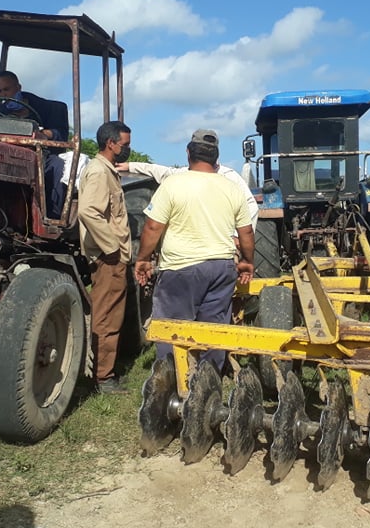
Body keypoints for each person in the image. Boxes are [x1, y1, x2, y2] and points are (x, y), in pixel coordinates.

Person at [133, 129, 255, 372]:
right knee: (213, 328)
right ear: (217, 159)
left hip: (180, 269)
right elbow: (246, 233)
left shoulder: (173, 184)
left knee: (173, 328)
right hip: (221, 269)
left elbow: (153, 226)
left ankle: (171, 382)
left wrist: (144, 259)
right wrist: (247, 261)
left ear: (188, 153)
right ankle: (208, 385)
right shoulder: (232, 188)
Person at [77, 121, 133, 395]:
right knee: (108, 316)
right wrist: (111, 248)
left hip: (109, 255)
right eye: (125, 145)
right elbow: (88, 211)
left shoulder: (104, 170)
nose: (127, 149)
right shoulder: (100, 171)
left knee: (109, 314)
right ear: (111, 144)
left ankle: (101, 372)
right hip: (108, 257)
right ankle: (103, 377)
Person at [0, 70, 68, 219]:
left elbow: (60, 134)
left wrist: (44, 134)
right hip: (7, 155)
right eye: (0, 91)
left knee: (58, 166)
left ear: (18, 87)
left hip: (39, 156)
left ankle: (51, 216)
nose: (3, 95)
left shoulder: (44, 107)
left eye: (7, 89)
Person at [117, 157, 259, 232]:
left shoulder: (229, 177)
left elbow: (251, 206)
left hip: (222, 249)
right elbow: (162, 171)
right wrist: (131, 166)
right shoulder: (183, 174)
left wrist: (236, 237)